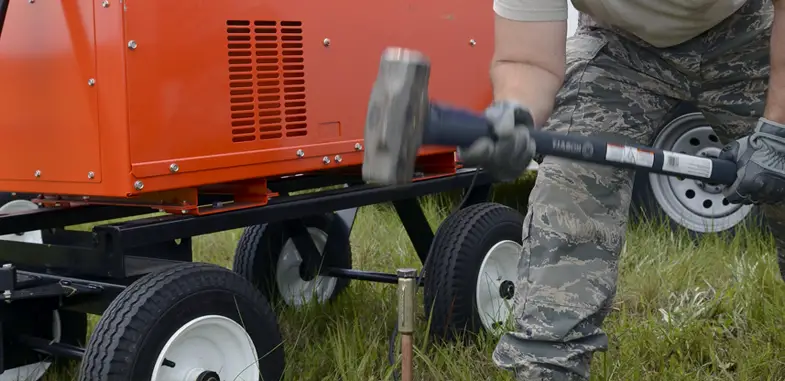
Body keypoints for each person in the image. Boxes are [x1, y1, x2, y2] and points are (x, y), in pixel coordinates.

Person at [459, 0, 785, 379]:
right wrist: (515, 116)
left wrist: (777, 130)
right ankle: (546, 364)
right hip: (619, 46)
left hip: (750, 29)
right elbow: (527, 60)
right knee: (572, 186)